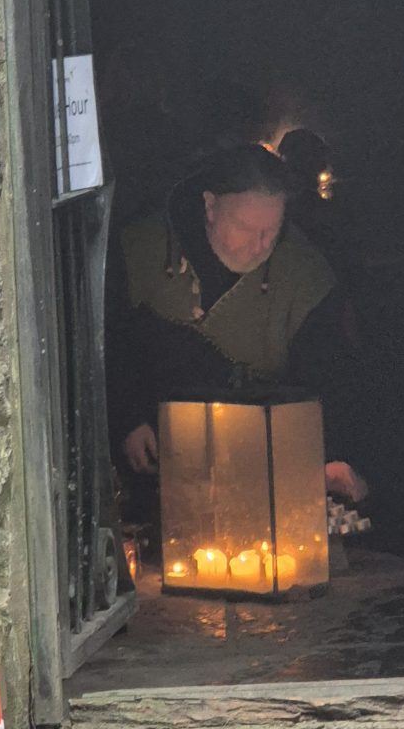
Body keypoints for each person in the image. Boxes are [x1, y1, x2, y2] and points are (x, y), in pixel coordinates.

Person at [110, 142, 367, 504]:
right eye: (245, 228)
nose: (259, 246)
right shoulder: (140, 250)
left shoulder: (304, 275)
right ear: (210, 206)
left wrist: (329, 456)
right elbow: (107, 345)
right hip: (152, 471)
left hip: (263, 475)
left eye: (271, 231)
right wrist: (127, 417)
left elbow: (333, 379)